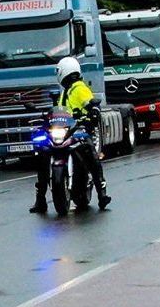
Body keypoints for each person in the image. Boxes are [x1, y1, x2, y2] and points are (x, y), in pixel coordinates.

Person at [32, 55, 111, 212]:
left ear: (63, 72)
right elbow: (58, 112)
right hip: (64, 133)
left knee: (91, 154)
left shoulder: (79, 88)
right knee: (42, 153)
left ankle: (102, 193)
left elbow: (89, 102)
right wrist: (45, 116)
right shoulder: (64, 92)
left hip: (79, 130)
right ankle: (40, 200)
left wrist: (93, 110)